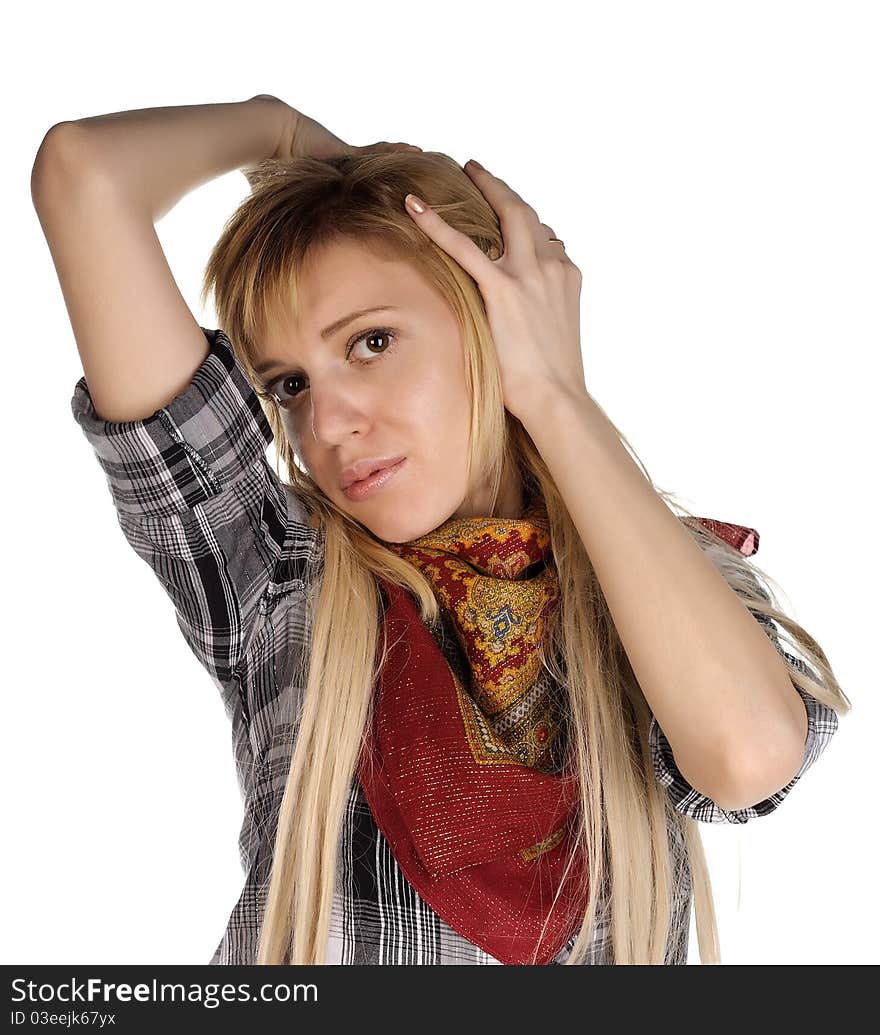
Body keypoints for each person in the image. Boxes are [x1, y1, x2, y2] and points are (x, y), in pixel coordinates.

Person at [32, 96, 848, 966]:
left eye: (372, 341)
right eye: (290, 386)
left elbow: (749, 755)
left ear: (496, 323)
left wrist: (555, 395)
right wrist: (279, 135)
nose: (330, 422)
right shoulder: (275, 577)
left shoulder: (651, 576)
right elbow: (86, 176)